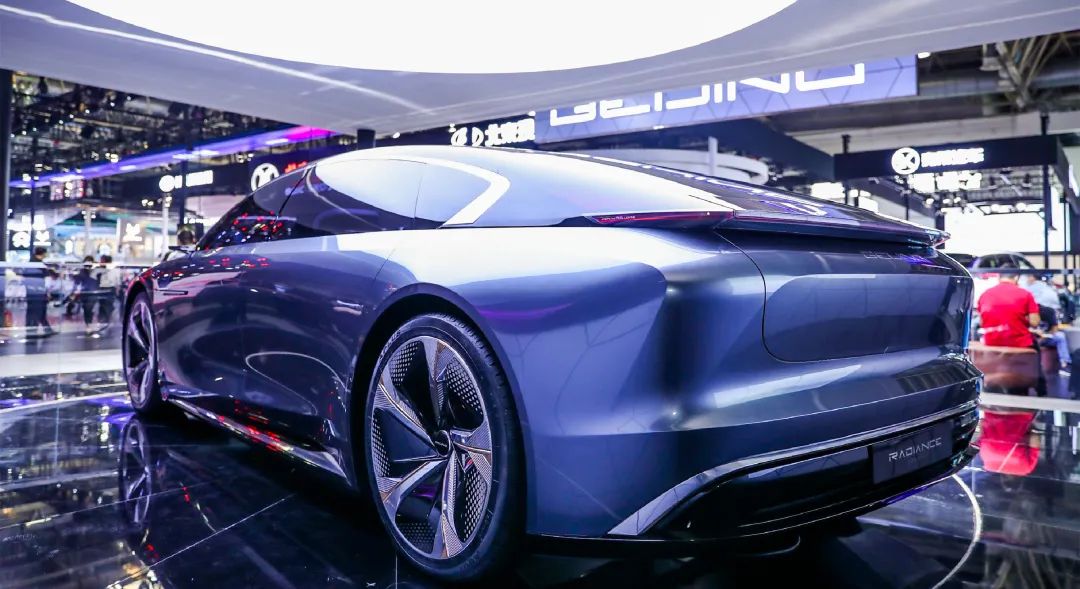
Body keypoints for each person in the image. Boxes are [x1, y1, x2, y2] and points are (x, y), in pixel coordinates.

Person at [978, 272, 1043, 393]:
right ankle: (1041, 389)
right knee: (1037, 349)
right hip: (1018, 342)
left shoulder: (985, 294)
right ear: (1016, 278)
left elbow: (982, 323)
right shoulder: (1025, 294)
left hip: (991, 341)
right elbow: (1034, 322)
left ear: (999, 277)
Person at [1021, 273, 1072, 372]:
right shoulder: (1024, 311)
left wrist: (1045, 335)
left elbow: (1054, 329)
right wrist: (1034, 333)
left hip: (1045, 337)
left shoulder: (1048, 311)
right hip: (1029, 338)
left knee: (1060, 336)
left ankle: (1065, 364)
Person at [24, 247, 54, 335]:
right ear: (43, 253)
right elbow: (47, 281)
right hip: (39, 292)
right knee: (38, 311)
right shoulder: (40, 266)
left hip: (30, 292)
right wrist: (47, 292)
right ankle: (33, 331)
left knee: (33, 311)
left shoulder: (29, 264)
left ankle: (45, 329)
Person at [73, 255, 99, 335]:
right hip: (84, 293)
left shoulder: (96, 271)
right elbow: (77, 281)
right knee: (86, 310)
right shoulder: (81, 271)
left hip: (93, 293)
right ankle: (88, 325)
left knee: (89, 309)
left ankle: (89, 325)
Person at [94, 254, 120, 325]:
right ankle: (102, 321)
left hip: (110, 289)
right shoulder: (99, 270)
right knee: (102, 305)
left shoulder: (114, 270)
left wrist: (117, 289)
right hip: (101, 288)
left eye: (102, 261)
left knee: (108, 305)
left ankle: (107, 321)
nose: (100, 262)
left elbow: (117, 281)